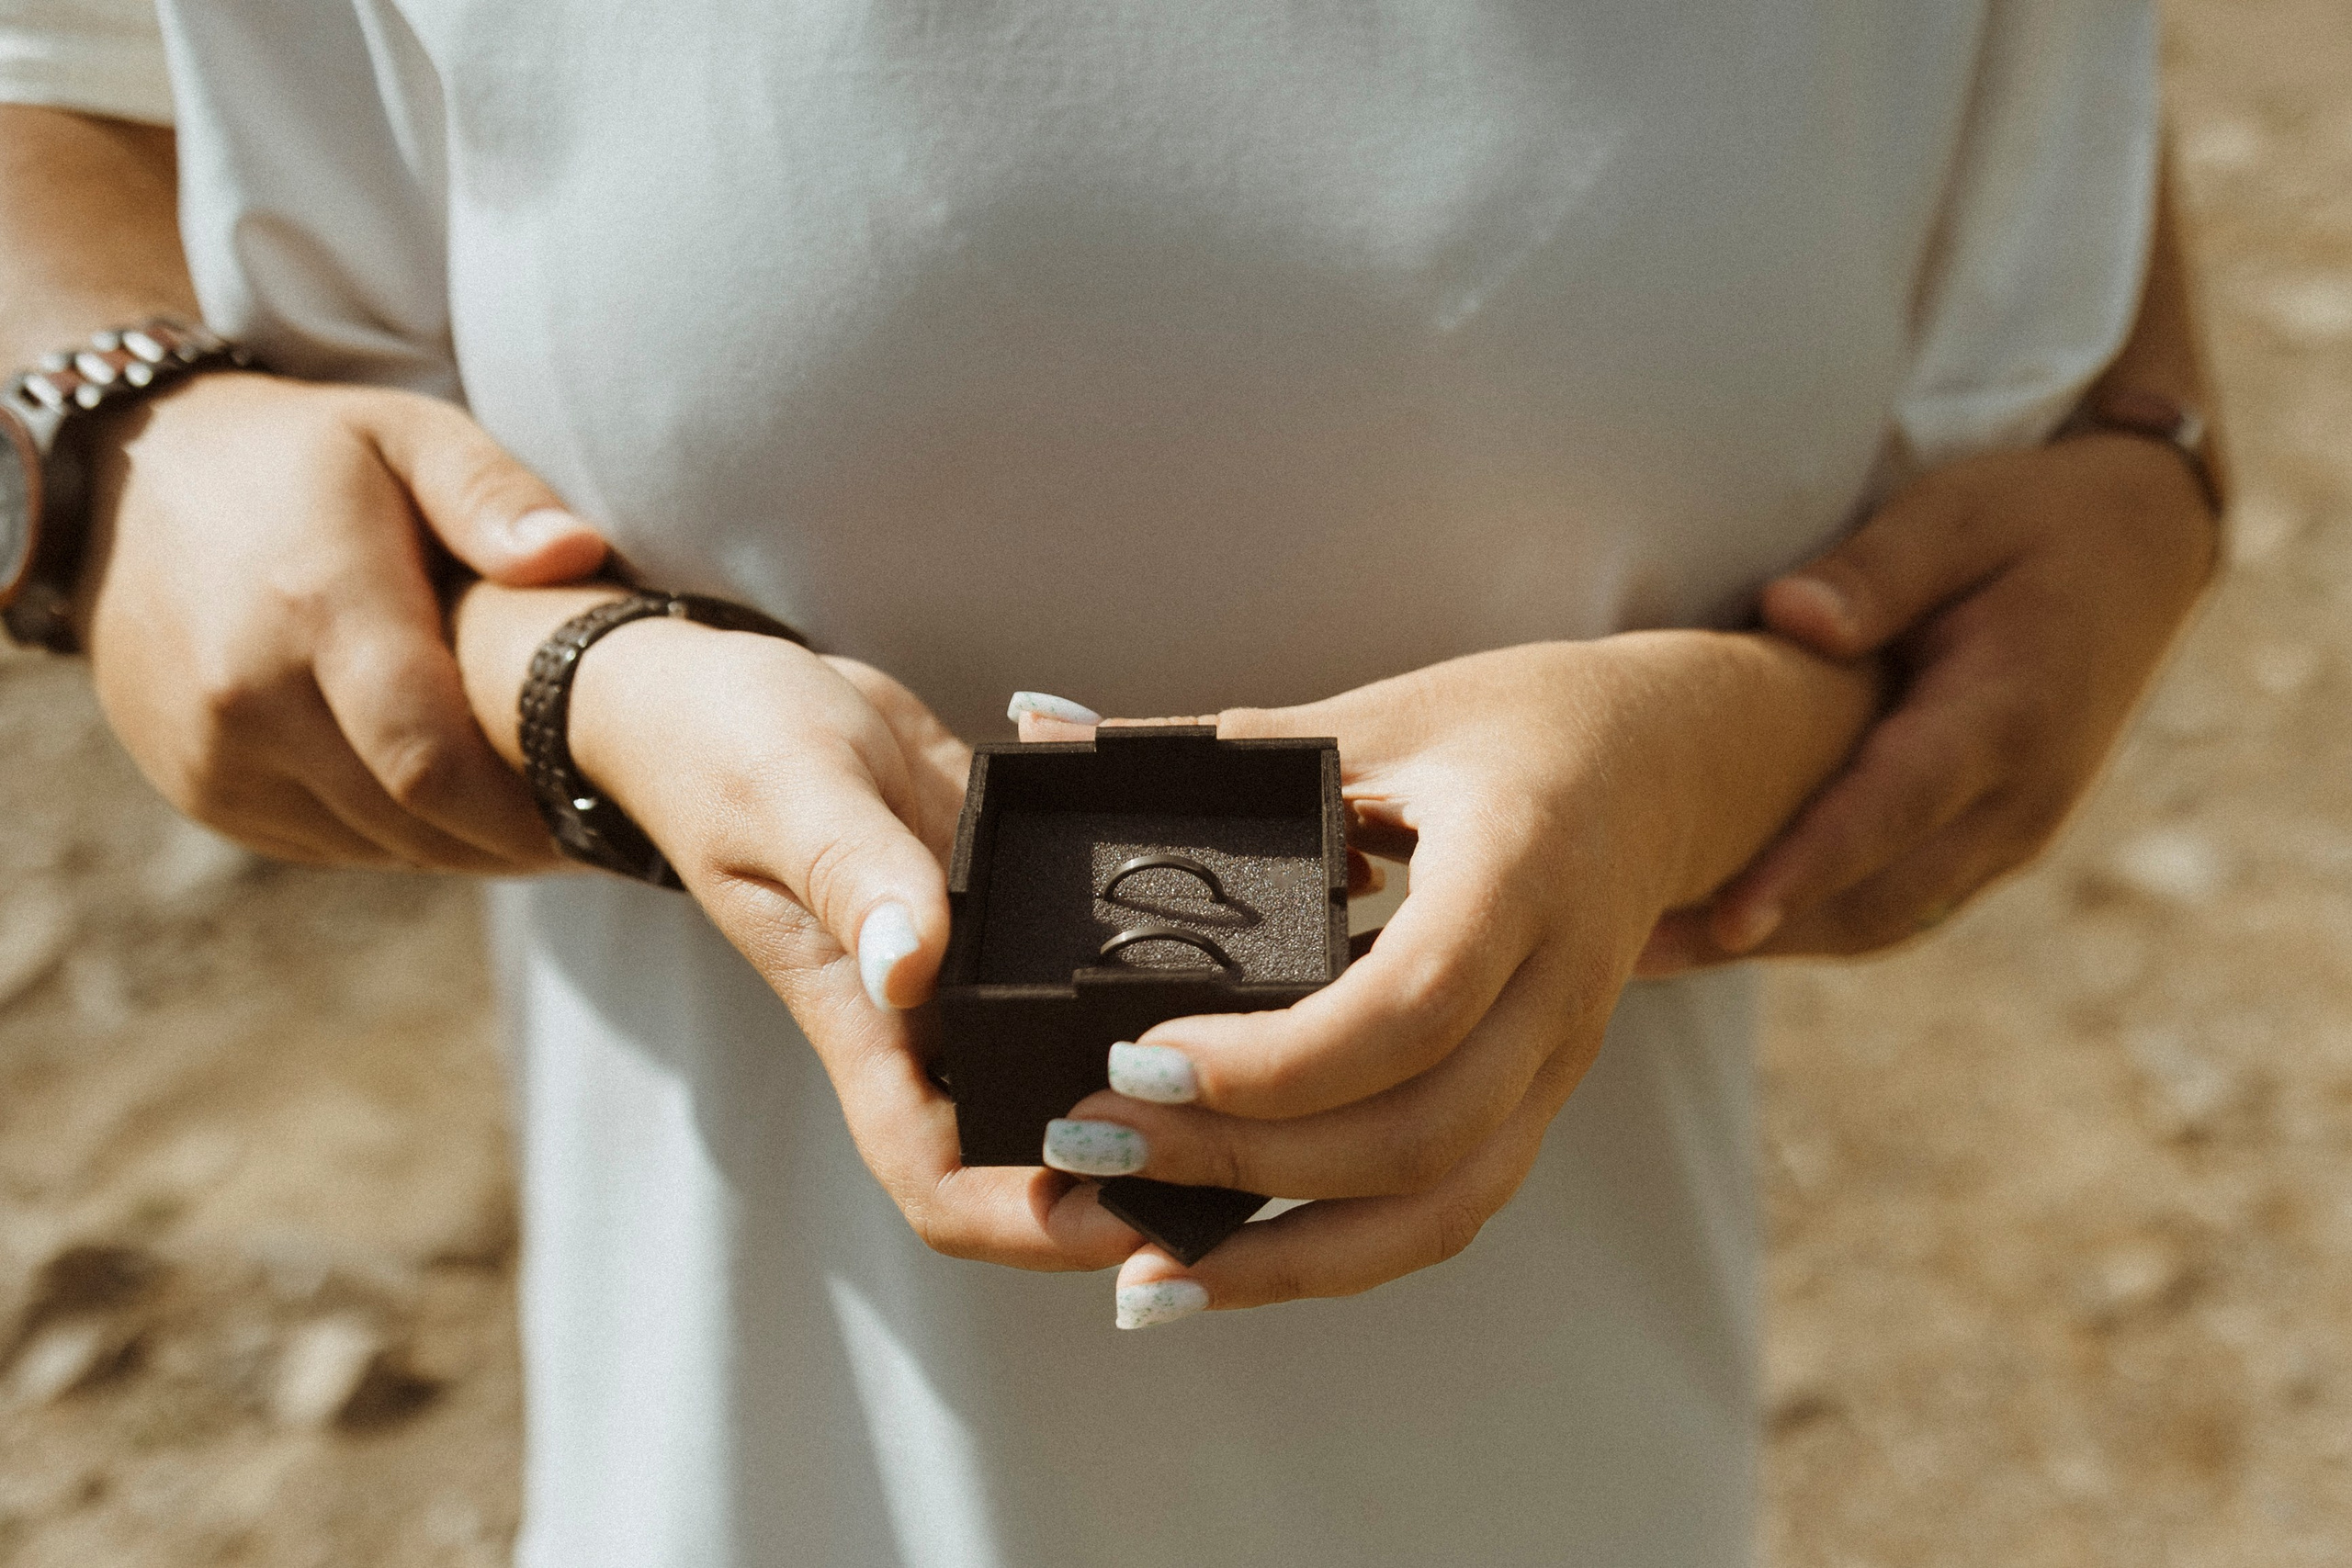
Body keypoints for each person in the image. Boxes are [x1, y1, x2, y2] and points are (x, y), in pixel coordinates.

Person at [0, 3, 2221, 1564]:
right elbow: (66, 114)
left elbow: (2063, 329)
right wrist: (139, 450)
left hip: (1556, 1441)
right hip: (756, 1439)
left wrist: (2124, 478)